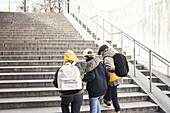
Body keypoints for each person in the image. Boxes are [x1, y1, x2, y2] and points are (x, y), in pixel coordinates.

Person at [82, 48, 110, 113]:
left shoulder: (89, 64)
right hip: (102, 89)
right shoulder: (100, 63)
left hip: (94, 90)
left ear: (85, 57)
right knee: (97, 106)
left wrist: (81, 76)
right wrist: (105, 84)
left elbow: (91, 77)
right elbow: (108, 76)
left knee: (93, 110)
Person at [98, 45, 122, 113]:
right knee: (114, 95)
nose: (100, 54)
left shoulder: (107, 58)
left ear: (104, 51)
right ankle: (116, 109)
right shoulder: (112, 55)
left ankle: (110, 103)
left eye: (101, 52)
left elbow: (111, 67)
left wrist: (103, 69)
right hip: (115, 78)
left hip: (111, 79)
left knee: (111, 95)